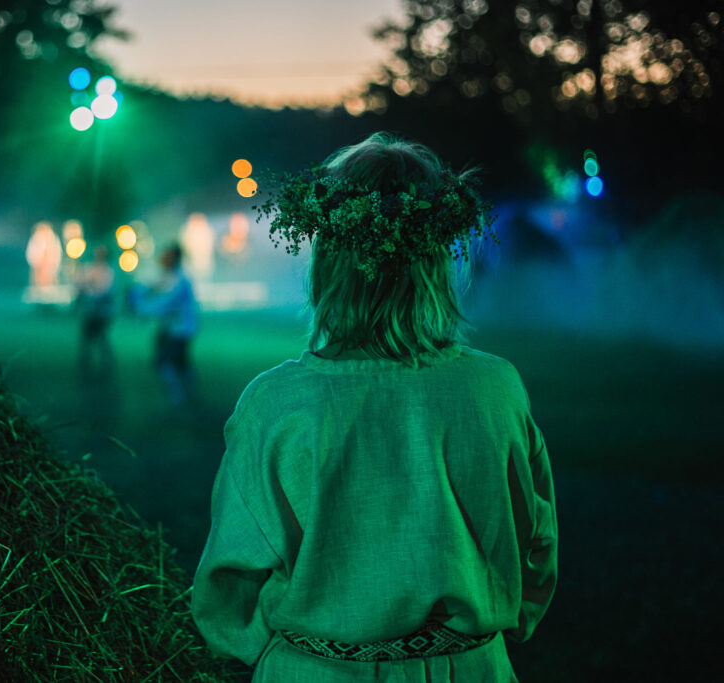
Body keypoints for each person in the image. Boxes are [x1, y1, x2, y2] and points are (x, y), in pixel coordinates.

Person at [191, 133, 556, 681]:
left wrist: (286, 653)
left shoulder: (278, 402)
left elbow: (229, 580)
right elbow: (536, 547)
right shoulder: (495, 388)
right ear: (436, 255)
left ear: (329, 259)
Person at [128, 243, 199, 406]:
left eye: (168, 255)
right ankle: (188, 393)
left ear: (175, 258)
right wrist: (135, 295)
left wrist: (140, 309)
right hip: (170, 329)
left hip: (180, 329)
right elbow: (148, 288)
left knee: (164, 362)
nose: (164, 258)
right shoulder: (167, 277)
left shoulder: (180, 281)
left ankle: (178, 396)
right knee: (180, 362)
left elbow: (166, 303)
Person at [75, 244, 116, 377]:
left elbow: (104, 291)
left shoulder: (108, 271)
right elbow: (80, 285)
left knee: (101, 337)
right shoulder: (88, 269)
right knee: (87, 338)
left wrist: (91, 288)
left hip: (101, 312)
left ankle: (106, 364)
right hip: (89, 310)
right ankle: (86, 364)